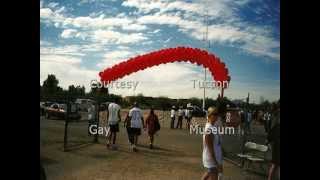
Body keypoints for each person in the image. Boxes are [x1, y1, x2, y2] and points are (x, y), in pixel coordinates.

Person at [202, 107, 223, 180]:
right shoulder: (209, 130)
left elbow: (217, 143)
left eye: (217, 114)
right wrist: (217, 163)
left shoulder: (213, 126)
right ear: (210, 115)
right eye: (215, 114)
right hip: (212, 159)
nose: (217, 116)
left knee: (208, 174)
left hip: (214, 158)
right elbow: (210, 149)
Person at [267, 105, 280, 180]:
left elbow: (270, 133)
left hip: (275, 143)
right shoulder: (275, 119)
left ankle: (270, 178)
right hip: (276, 144)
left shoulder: (274, 119)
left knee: (275, 164)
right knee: (275, 164)